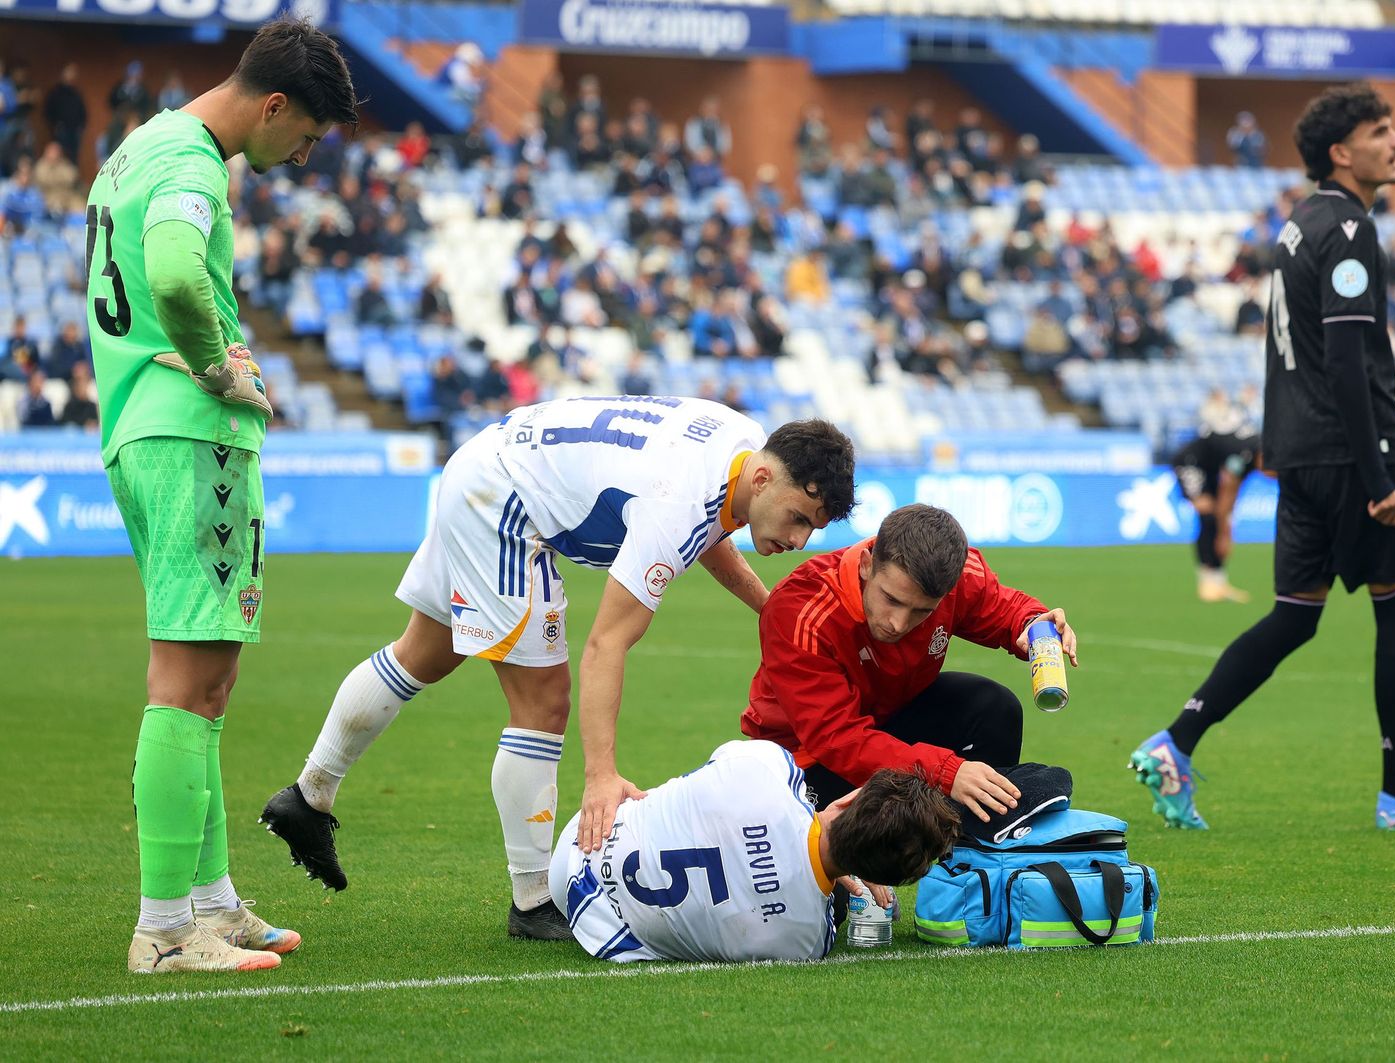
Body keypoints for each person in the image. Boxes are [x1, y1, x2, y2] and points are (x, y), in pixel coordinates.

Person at [261, 400, 856, 942]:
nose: (800, 539)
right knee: (544, 702)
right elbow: (607, 643)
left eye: (813, 529)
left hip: (489, 463)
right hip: (507, 507)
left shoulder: (744, 446)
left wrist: (771, 608)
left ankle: (308, 797)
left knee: (425, 653)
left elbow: (707, 530)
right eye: (799, 518)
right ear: (763, 479)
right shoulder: (680, 498)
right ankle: (532, 899)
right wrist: (601, 774)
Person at [1129, 83, 1395, 833]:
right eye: (1380, 131)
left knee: (1294, 617)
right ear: (1341, 152)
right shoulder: (1351, 231)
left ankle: (1177, 739)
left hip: (1295, 453)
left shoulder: (1300, 225)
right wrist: (1380, 474)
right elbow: (1350, 360)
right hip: (1353, 454)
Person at [84, 16, 359, 974]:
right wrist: (217, 366)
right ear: (274, 105)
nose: (305, 154)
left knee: (207, 682)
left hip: (137, 428)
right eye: (309, 136)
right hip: (190, 436)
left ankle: (208, 901)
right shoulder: (197, 162)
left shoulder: (135, 150)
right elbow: (168, 272)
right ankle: (164, 930)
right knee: (185, 682)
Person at [742, 504, 1078, 822]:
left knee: (992, 706)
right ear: (866, 565)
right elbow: (838, 739)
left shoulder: (957, 575)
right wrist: (946, 772)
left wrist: (1035, 626)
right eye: (891, 599)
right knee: (841, 880)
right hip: (804, 761)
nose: (898, 624)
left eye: (922, 611)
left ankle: (976, 855)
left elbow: (1005, 609)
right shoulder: (800, 610)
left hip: (885, 724)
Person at [551, 740, 958, 963]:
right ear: (883, 880)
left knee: (697, 794)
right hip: (598, 925)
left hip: (587, 838)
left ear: (851, 799)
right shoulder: (807, 942)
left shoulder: (767, 767)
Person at [1172, 409, 1261, 604]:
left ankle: (1219, 583)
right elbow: (1227, 490)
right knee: (1208, 516)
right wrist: (1224, 533)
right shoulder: (1244, 453)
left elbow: (1231, 493)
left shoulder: (1252, 453)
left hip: (1209, 469)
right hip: (1191, 463)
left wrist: (1226, 527)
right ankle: (1206, 582)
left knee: (1217, 519)